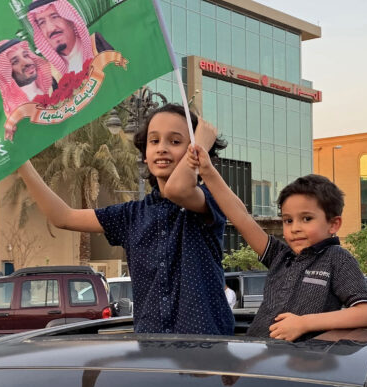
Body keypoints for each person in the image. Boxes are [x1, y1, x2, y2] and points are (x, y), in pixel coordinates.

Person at [15, 103, 233, 335]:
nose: (162, 148)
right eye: (154, 141)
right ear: (145, 155)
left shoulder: (210, 199)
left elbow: (177, 190)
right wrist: (20, 162)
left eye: (176, 141)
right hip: (152, 349)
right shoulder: (131, 215)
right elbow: (63, 216)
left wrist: (199, 146)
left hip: (207, 350)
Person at [188, 145, 367, 341]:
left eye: (307, 219)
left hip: (299, 364)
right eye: (288, 220)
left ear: (333, 224)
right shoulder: (280, 255)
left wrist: (303, 323)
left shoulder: (337, 258)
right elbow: (241, 217)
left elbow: (365, 313)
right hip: (258, 354)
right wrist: (208, 171)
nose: (295, 228)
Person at [26, 0, 113, 78]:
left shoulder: (98, 45)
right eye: (42, 23)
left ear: (70, 20)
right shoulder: (52, 77)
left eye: (55, 17)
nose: (50, 28)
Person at [0, 38, 55, 115]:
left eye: (26, 55)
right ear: (6, 72)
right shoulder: (17, 110)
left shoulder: (50, 83)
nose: (27, 62)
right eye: (15, 62)